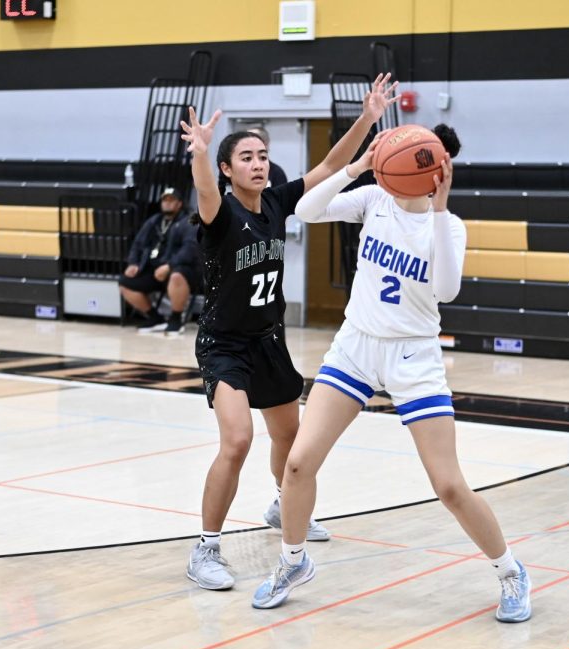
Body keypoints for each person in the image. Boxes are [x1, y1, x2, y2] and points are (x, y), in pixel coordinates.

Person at [252, 125, 532, 620]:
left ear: (436, 174)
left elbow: (446, 291)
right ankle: (293, 561)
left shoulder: (450, 226)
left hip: (414, 357)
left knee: (447, 485)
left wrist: (442, 209)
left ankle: (511, 571)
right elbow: (303, 210)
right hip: (356, 346)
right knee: (297, 464)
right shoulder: (372, 198)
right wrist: (357, 167)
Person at [179, 73, 399, 592]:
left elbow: (327, 169)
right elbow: (205, 189)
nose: (258, 163)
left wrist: (367, 122)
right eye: (247, 157)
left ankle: (283, 506)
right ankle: (205, 548)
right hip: (225, 344)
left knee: (290, 438)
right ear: (230, 169)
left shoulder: (276, 203)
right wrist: (201, 155)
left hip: (268, 341)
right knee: (237, 441)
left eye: (262, 155)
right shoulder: (219, 212)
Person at [118, 187, 197, 334]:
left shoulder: (188, 221)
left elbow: (190, 250)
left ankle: (176, 319)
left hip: (182, 269)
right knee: (124, 282)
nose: (167, 203)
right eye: (164, 200)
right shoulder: (154, 221)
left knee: (176, 276)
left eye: (171, 200)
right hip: (155, 268)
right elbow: (138, 244)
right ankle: (155, 318)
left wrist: (169, 266)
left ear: (179, 204)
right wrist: (133, 263)